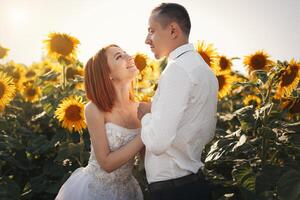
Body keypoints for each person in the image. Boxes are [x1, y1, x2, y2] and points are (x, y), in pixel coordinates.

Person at [137, 3, 219, 200]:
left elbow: (157, 142)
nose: (147, 39)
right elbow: (204, 131)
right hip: (193, 184)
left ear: (173, 30)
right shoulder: (205, 71)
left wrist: (146, 115)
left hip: (173, 190)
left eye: (152, 31)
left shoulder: (177, 69)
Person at [55, 44, 144, 200]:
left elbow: (146, 159)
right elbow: (107, 163)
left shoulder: (141, 109)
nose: (129, 57)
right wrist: (146, 133)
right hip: (94, 191)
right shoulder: (94, 109)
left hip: (127, 191)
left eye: (125, 53)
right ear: (107, 73)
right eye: (119, 56)